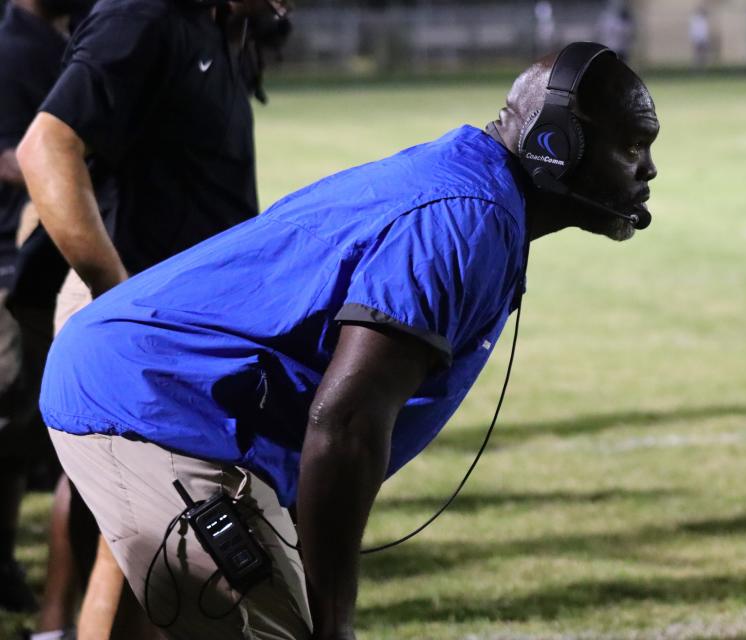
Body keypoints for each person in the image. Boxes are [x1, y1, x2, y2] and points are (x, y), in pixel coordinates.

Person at [34, 42, 659, 639]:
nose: (649, 169)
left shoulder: (475, 191)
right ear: (557, 142)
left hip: (163, 393)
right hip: (154, 405)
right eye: (632, 146)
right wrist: (335, 620)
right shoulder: (468, 219)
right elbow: (347, 423)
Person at [15, 0, 285, 634]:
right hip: (136, 310)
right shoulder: (143, 14)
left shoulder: (215, 29)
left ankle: (59, 624)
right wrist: (120, 300)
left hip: (175, 317)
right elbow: (46, 146)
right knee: (144, 523)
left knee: (130, 517)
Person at [0, 0, 72, 618]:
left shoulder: (57, 41)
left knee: (23, 424)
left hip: (35, 261)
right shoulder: (10, 46)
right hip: (5, 261)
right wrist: (69, 159)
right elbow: (14, 155)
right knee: (9, 415)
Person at [690, 6, 710, 70]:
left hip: (702, 40)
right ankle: (697, 68)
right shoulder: (695, 20)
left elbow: (705, 31)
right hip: (698, 40)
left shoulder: (704, 20)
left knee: (703, 55)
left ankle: (702, 68)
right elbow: (693, 30)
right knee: (697, 55)